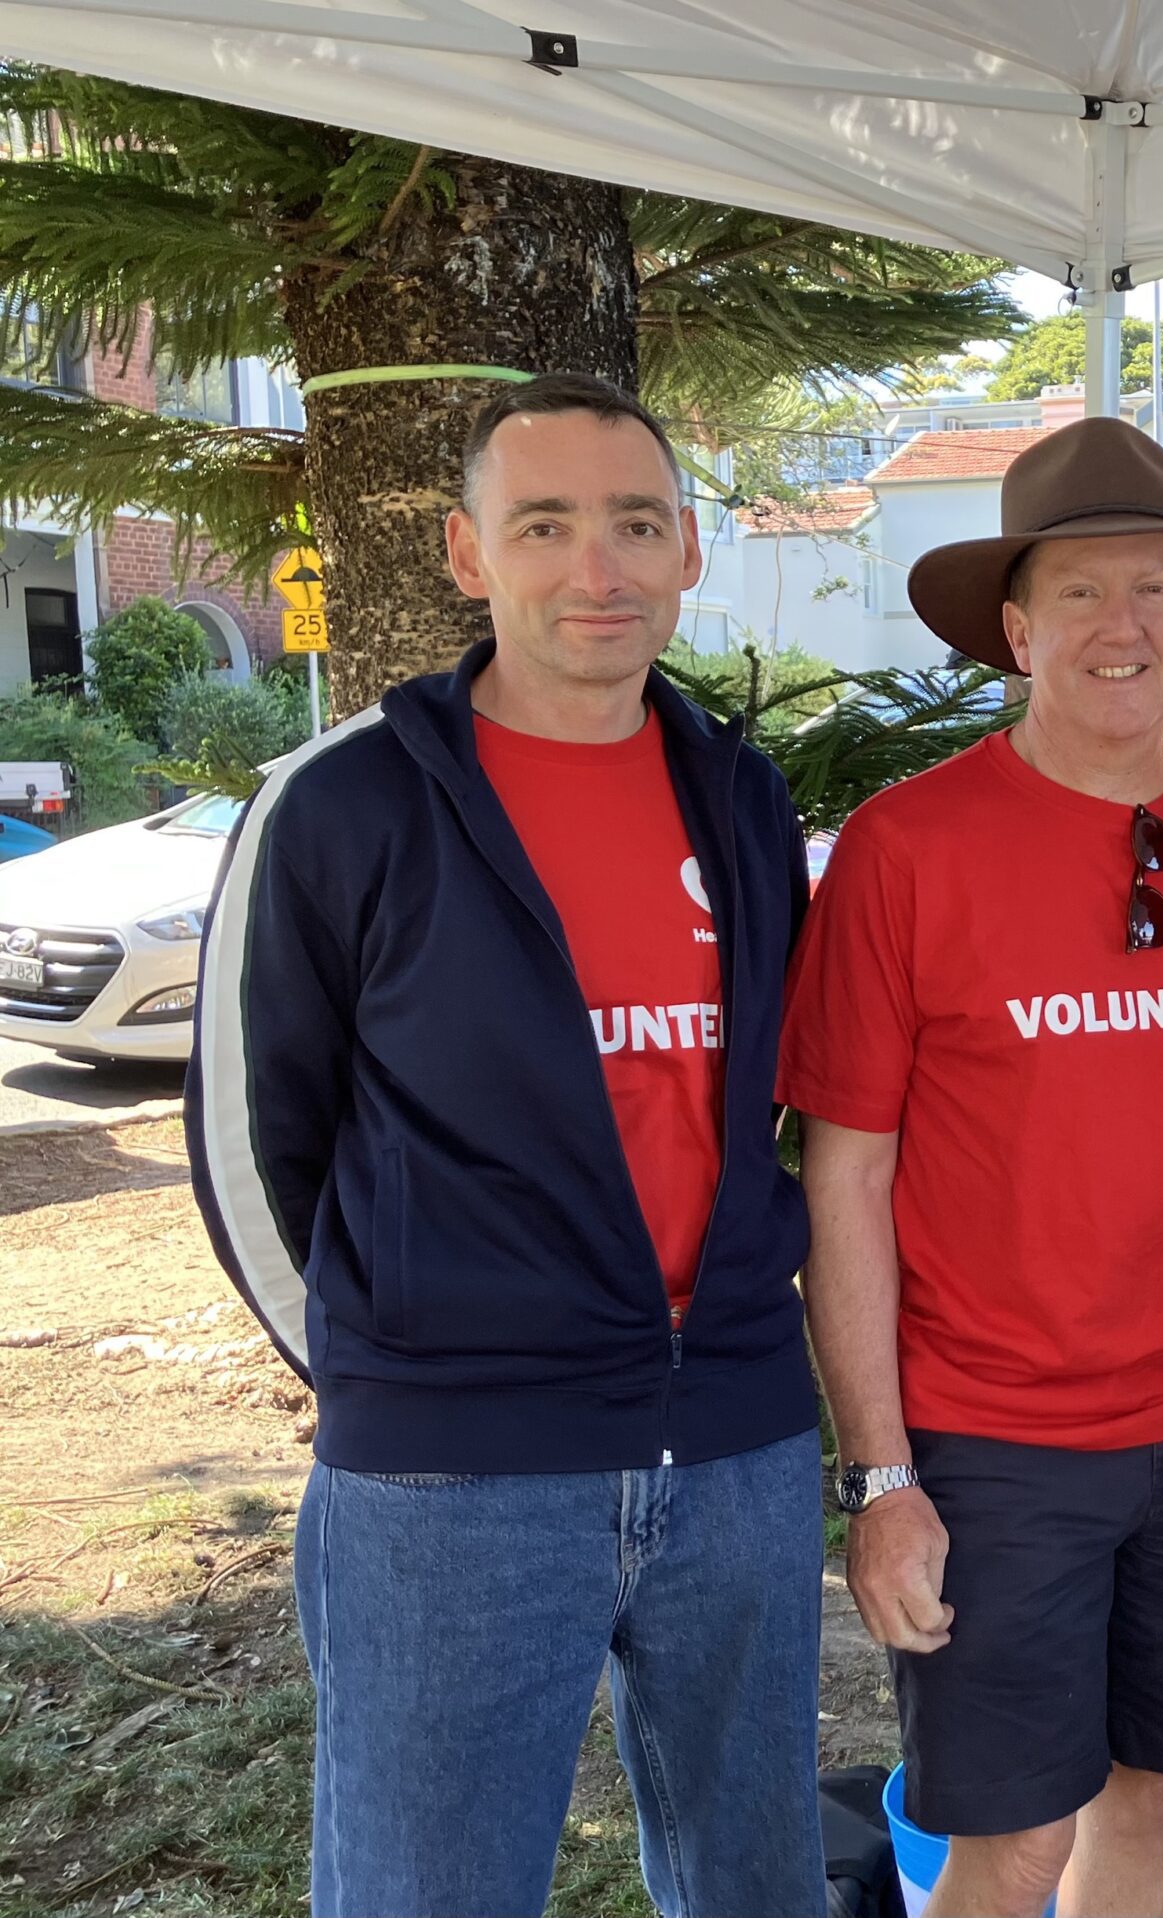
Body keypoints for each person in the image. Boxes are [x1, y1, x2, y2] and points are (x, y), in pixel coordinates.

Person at [186, 373, 824, 1917]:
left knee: (759, 1889)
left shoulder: (741, 797)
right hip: (452, 1473)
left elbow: (771, 1110)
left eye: (633, 524)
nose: (594, 569)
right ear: (470, 555)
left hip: (735, 1448)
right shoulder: (339, 805)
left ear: (686, 553)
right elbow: (259, 1130)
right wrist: (378, 1368)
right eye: (545, 524)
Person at [781, 417, 1163, 1918]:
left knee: (1155, 1798)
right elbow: (849, 1179)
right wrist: (881, 1474)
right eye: (1078, 593)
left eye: (1151, 588)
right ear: (1017, 629)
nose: (1121, 626)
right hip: (994, 1439)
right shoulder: (907, 850)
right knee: (1013, 1841)